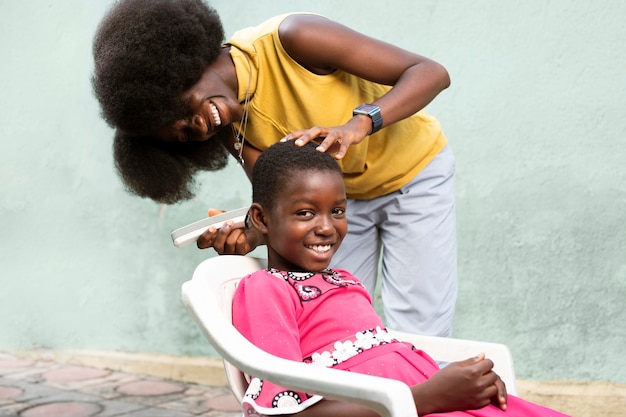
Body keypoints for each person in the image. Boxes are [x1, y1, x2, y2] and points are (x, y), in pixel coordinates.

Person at [92, 0, 457, 337]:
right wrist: (255, 233)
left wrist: (357, 125)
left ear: (180, 67)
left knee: (419, 329)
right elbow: (285, 197)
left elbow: (430, 72)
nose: (199, 126)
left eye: (183, 109)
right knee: (337, 322)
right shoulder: (228, 130)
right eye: (186, 135)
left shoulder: (293, 38)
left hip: (415, 176)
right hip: (341, 205)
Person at [234, 140, 570, 417]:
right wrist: (426, 397)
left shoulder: (344, 279)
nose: (326, 227)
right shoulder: (266, 287)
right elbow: (282, 411)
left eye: (337, 211)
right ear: (261, 218)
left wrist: (468, 384)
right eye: (305, 213)